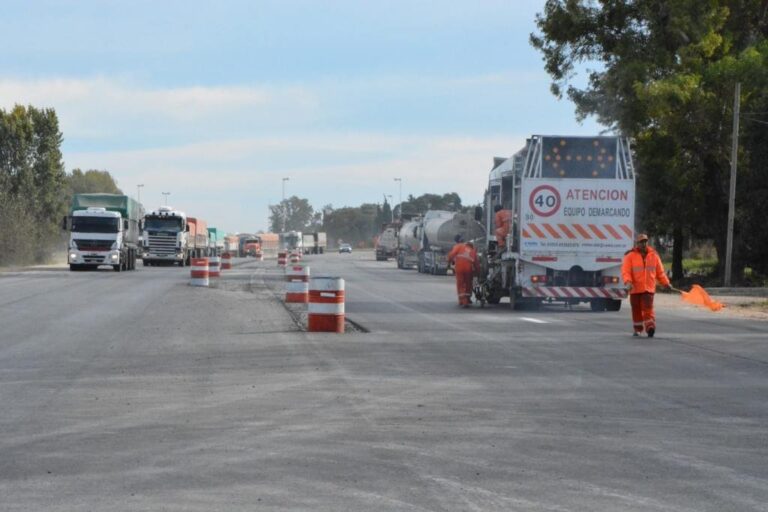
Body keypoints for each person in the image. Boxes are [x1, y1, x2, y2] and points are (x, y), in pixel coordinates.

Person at [621, 233, 671, 337]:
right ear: (637, 243)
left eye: (645, 242)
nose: (643, 244)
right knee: (636, 309)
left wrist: (666, 283)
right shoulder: (630, 256)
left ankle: (650, 327)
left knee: (648, 308)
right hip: (635, 289)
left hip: (648, 289)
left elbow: (660, 272)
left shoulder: (654, 256)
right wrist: (628, 282)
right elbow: (626, 271)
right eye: (641, 242)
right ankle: (638, 329)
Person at [447, 234, 479, 308]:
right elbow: (476, 263)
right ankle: (467, 299)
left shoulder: (458, 246)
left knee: (460, 283)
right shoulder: (472, 250)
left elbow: (451, 255)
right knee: (468, 283)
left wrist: (449, 262)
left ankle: (463, 301)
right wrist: (477, 272)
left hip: (459, 268)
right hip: (469, 268)